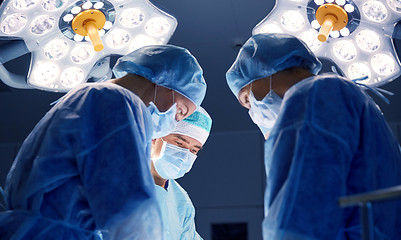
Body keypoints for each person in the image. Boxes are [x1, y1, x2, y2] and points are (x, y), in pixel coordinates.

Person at [0, 45, 207, 239]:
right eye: (180, 111)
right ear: (165, 83)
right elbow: (128, 206)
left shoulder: (88, 97)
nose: (175, 122)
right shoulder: (116, 102)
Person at [226, 33, 401, 240]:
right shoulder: (348, 97)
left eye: (247, 99)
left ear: (263, 70)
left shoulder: (314, 94)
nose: (252, 110)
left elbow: (299, 215)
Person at [150, 106, 212, 240]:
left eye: (194, 150)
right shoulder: (117, 184)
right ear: (154, 137)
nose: (184, 156)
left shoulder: (181, 201)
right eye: (179, 143)